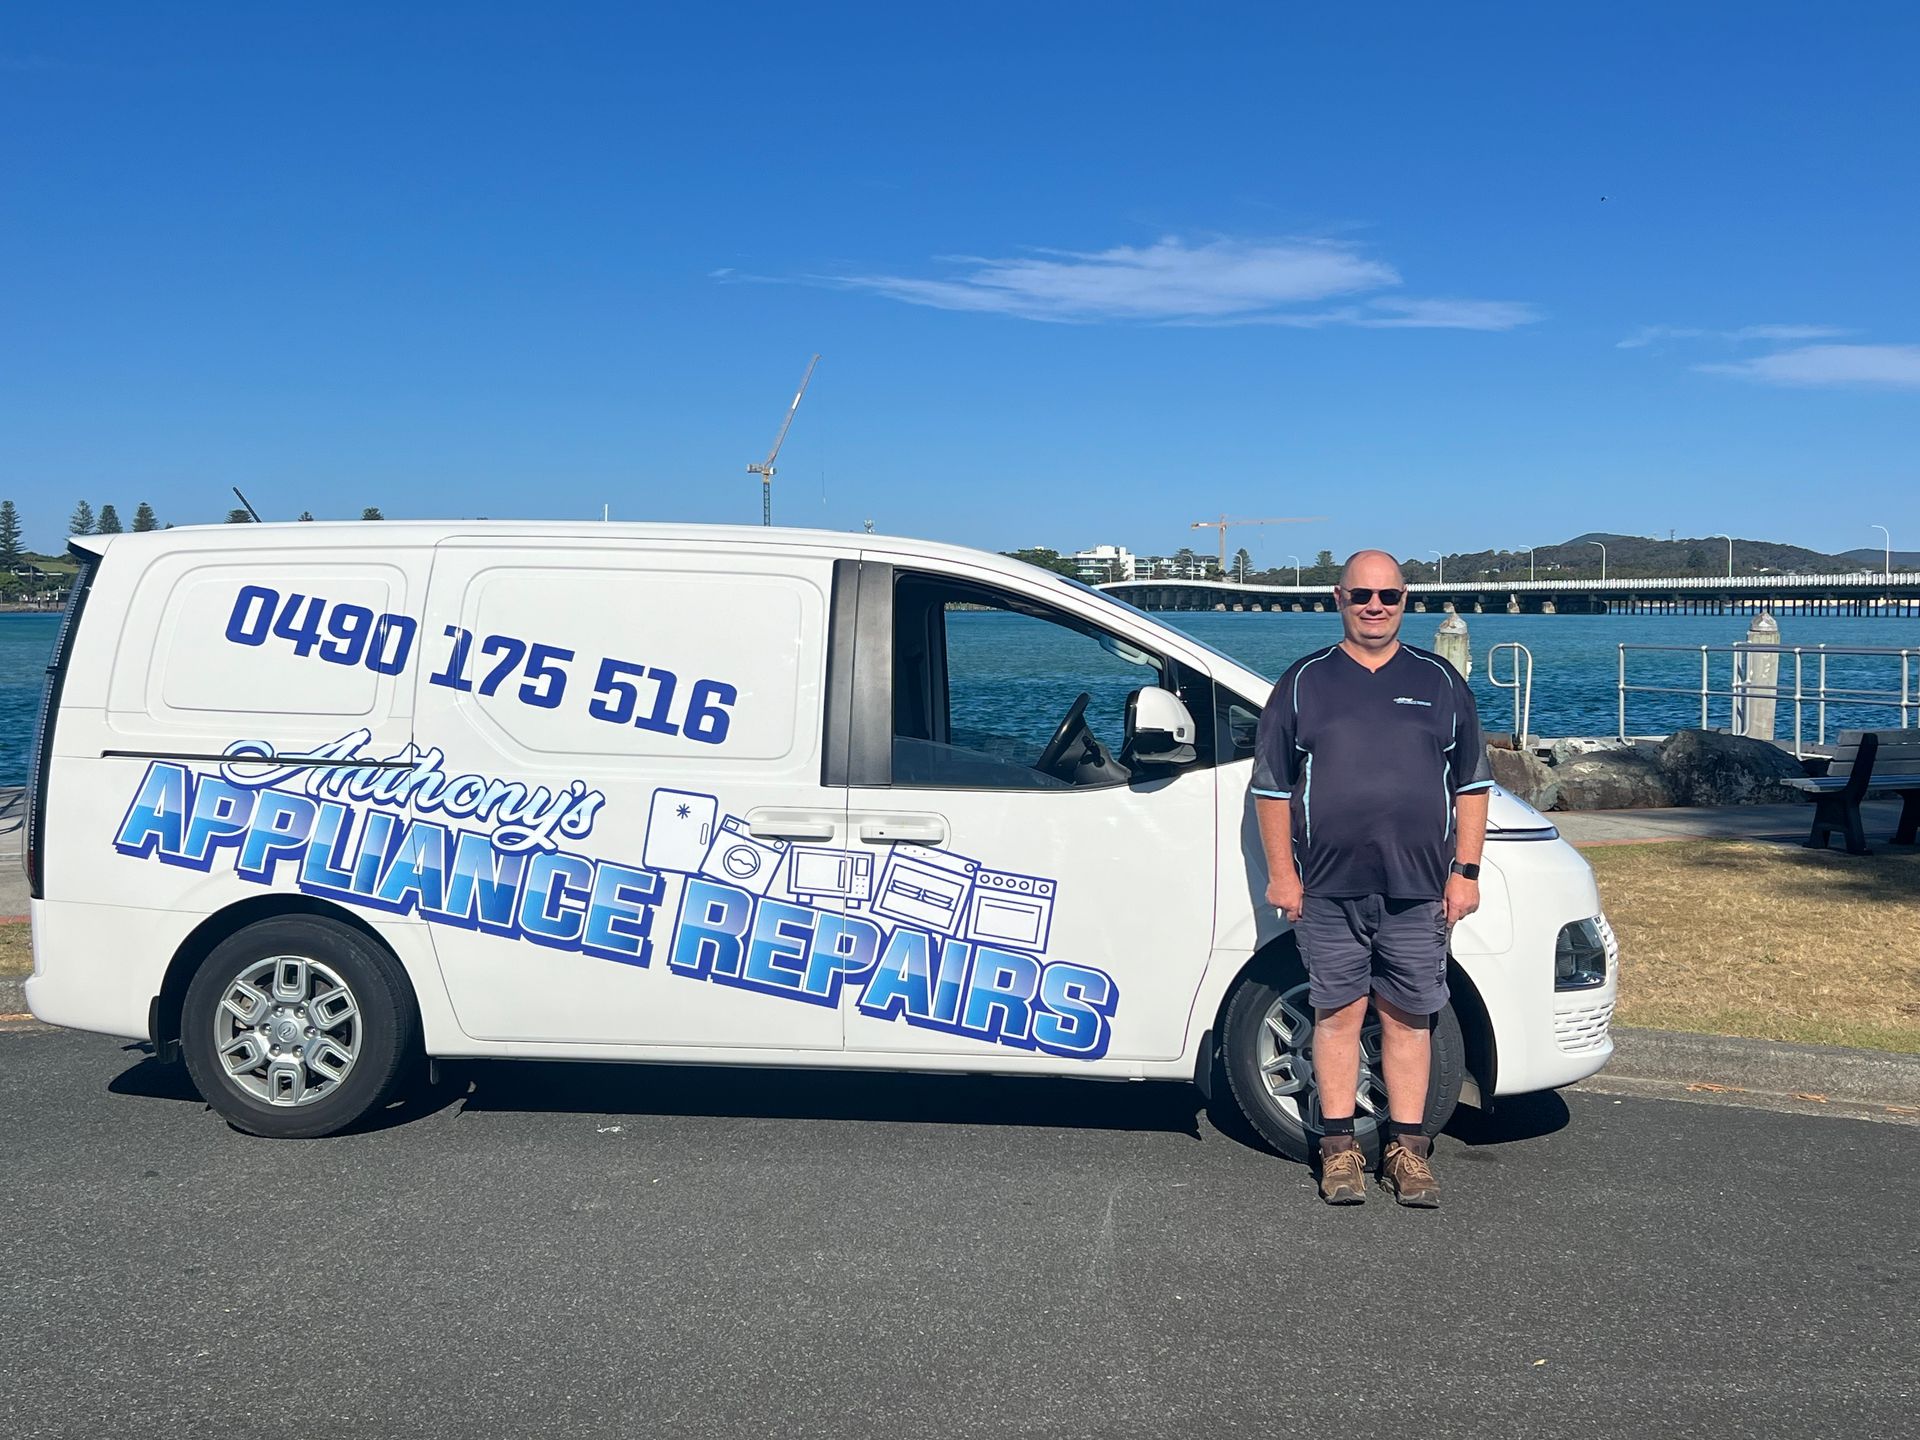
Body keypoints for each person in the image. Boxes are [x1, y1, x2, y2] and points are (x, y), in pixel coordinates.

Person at [1251, 550, 1492, 1207]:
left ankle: (1408, 1152)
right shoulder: (1304, 682)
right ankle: (1338, 1151)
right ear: (1339, 598)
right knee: (1336, 1015)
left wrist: (1464, 872)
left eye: (1388, 595)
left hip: (1419, 888)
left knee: (1410, 1019)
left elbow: (1472, 785)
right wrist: (1282, 874)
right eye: (1361, 595)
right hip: (1328, 886)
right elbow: (1271, 789)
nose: (1375, 606)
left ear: (1406, 599)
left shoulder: (1440, 680)